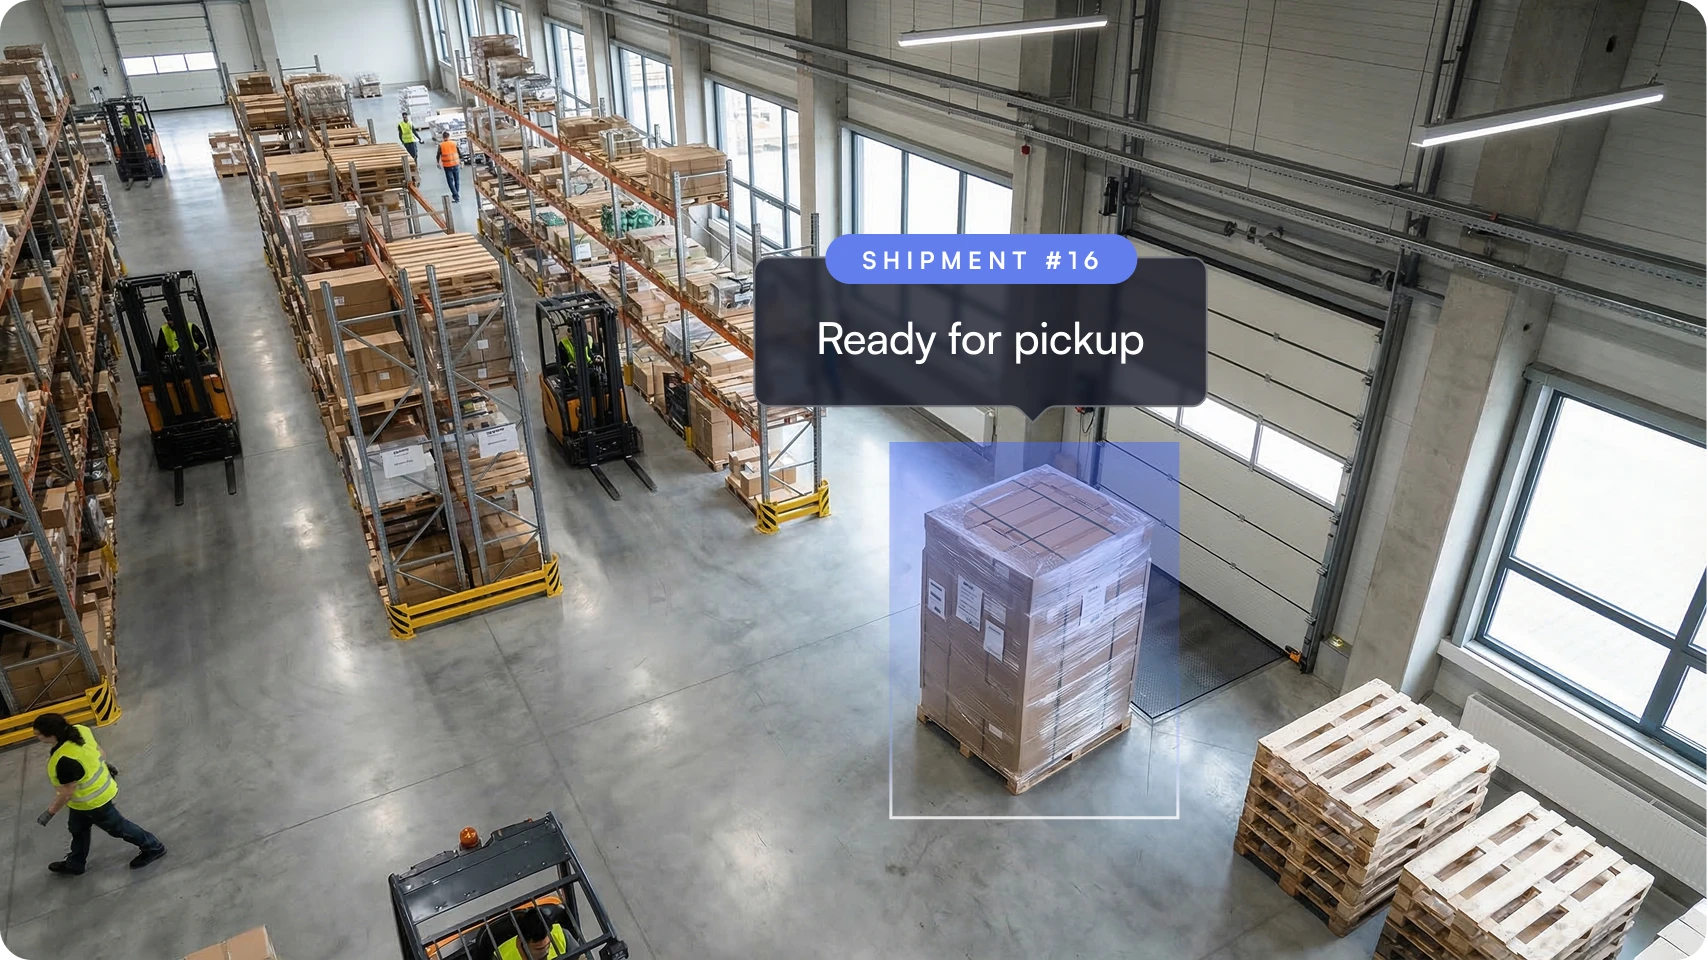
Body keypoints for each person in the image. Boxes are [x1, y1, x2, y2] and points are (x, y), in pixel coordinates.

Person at [32, 713, 166, 875]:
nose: (37, 738)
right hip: (82, 803)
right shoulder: (80, 730)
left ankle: (153, 847)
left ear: (51, 735)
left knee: (118, 828)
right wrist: (103, 765)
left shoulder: (62, 760)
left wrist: (49, 813)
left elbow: (66, 793)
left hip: (95, 802)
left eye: (38, 734)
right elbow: (100, 753)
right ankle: (75, 864)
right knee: (78, 829)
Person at [492, 905, 571, 960]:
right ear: (521, 943)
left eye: (547, 945)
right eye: (538, 949)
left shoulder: (561, 935)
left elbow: (581, 957)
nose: (546, 951)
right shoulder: (502, 956)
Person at [438, 131, 461, 203]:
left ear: (443, 137)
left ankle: (456, 196)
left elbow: (438, 154)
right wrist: (462, 160)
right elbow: (459, 152)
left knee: (450, 181)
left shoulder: (441, 145)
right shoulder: (454, 143)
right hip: (455, 164)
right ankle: (456, 195)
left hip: (447, 166)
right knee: (456, 180)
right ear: (449, 136)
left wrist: (438, 163)